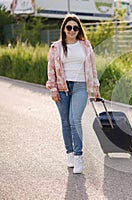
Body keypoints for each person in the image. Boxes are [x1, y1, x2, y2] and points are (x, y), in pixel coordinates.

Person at [46, 14, 100, 174]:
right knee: (65, 122)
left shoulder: (85, 46)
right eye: (68, 27)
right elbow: (51, 69)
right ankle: (69, 153)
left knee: (75, 119)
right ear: (64, 29)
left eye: (75, 28)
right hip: (62, 87)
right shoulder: (56, 47)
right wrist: (53, 89)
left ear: (79, 30)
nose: (72, 30)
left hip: (80, 87)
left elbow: (93, 67)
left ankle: (78, 156)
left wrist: (95, 86)